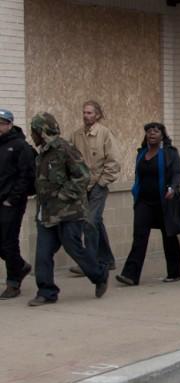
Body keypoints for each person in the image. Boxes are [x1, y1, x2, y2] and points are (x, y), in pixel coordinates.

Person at [27, 112, 108, 306]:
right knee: (43, 254)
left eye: (34, 131)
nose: (33, 135)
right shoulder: (41, 154)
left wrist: (63, 196)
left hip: (69, 213)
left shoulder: (64, 149)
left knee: (74, 248)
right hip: (46, 213)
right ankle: (46, 292)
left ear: (43, 131)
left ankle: (99, 275)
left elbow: (83, 176)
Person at [116, 123, 180, 286]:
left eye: (156, 131)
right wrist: (135, 192)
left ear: (162, 135)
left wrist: (172, 187)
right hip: (144, 202)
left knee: (169, 237)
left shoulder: (170, 153)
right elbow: (139, 176)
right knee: (139, 237)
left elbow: (177, 173)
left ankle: (174, 272)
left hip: (165, 201)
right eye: (149, 131)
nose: (152, 133)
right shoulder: (141, 153)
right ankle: (130, 275)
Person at [69, 100, 120, 273]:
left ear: (97, 115)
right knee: (96, 222)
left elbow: (113, 160)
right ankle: (107, 259)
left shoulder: (105, 134)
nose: (86, 116)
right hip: (82, 186)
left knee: (90, 222)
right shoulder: (76, 135)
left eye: (89, 113)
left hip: (99, 184)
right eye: (84, 112)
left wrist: (103, 182)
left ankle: (90, 264)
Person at [0, 109, 35, 299]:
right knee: (2, 244)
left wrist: (12, 199)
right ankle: (20, 266)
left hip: (11, 203)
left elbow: (25, 175)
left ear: (10, 124)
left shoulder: (19, 146)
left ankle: (13, 283)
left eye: (1, 123)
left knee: (9, 241)